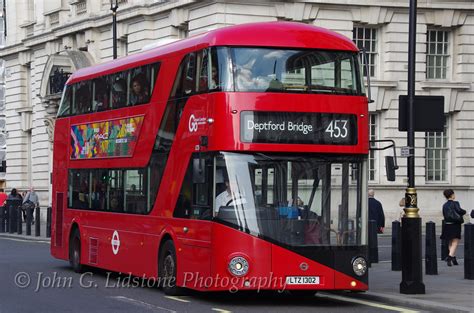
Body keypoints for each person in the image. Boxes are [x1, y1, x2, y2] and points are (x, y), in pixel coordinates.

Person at [440, 189, 466, 266]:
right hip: (455, 224)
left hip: (447, 225)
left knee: (450, 242)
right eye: (454, 194)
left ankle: (453, 258)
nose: (455, 195)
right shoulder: (456, 203)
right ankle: (450, 257)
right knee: (455, 241)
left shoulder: (444, 205)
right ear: (452, 195)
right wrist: (464, 211)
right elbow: (459, 211)